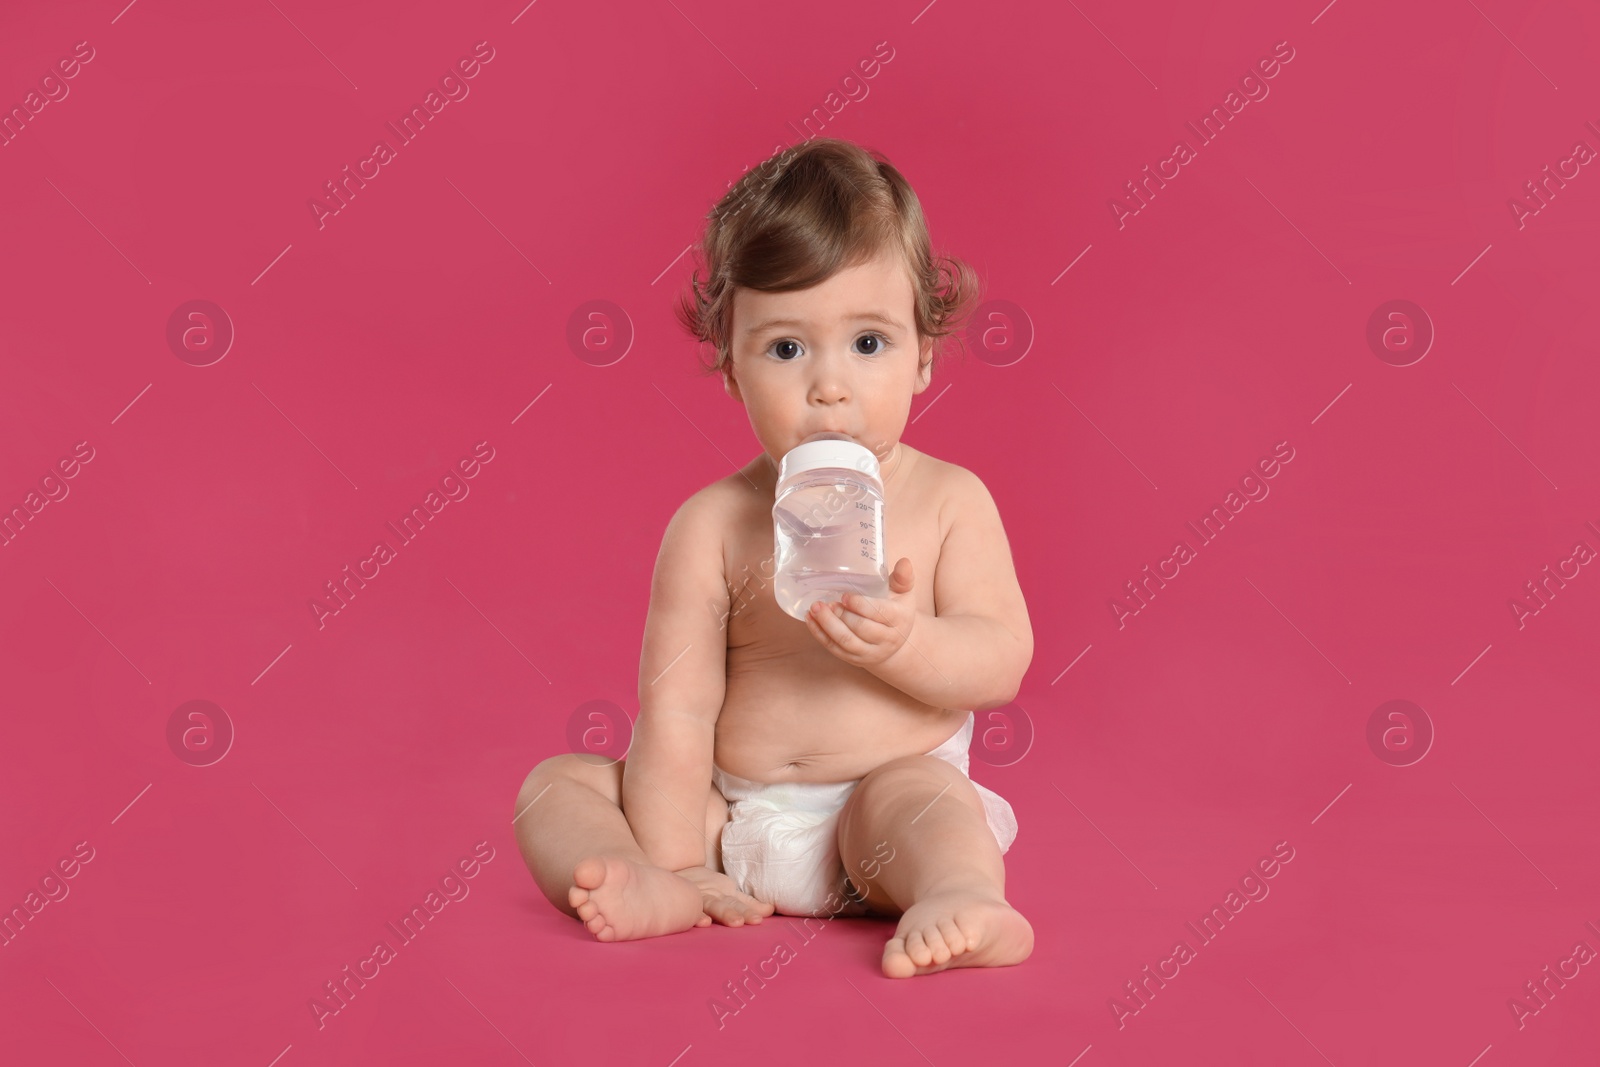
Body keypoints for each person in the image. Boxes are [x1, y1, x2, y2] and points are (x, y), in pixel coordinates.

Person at [513, 137, 1034, 978]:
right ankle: (659, 887)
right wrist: (682, 855)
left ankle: (959, 892)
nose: (829, 386)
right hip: (733, 824)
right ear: (730, 367)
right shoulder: (710, 525)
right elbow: (677, 709)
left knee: (927, 802)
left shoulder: (950, 501)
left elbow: (1001, 659)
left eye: (868, 344)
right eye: (786, 349)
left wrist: (909, 644)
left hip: (878, 819)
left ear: (925, 354)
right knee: (555, 784)